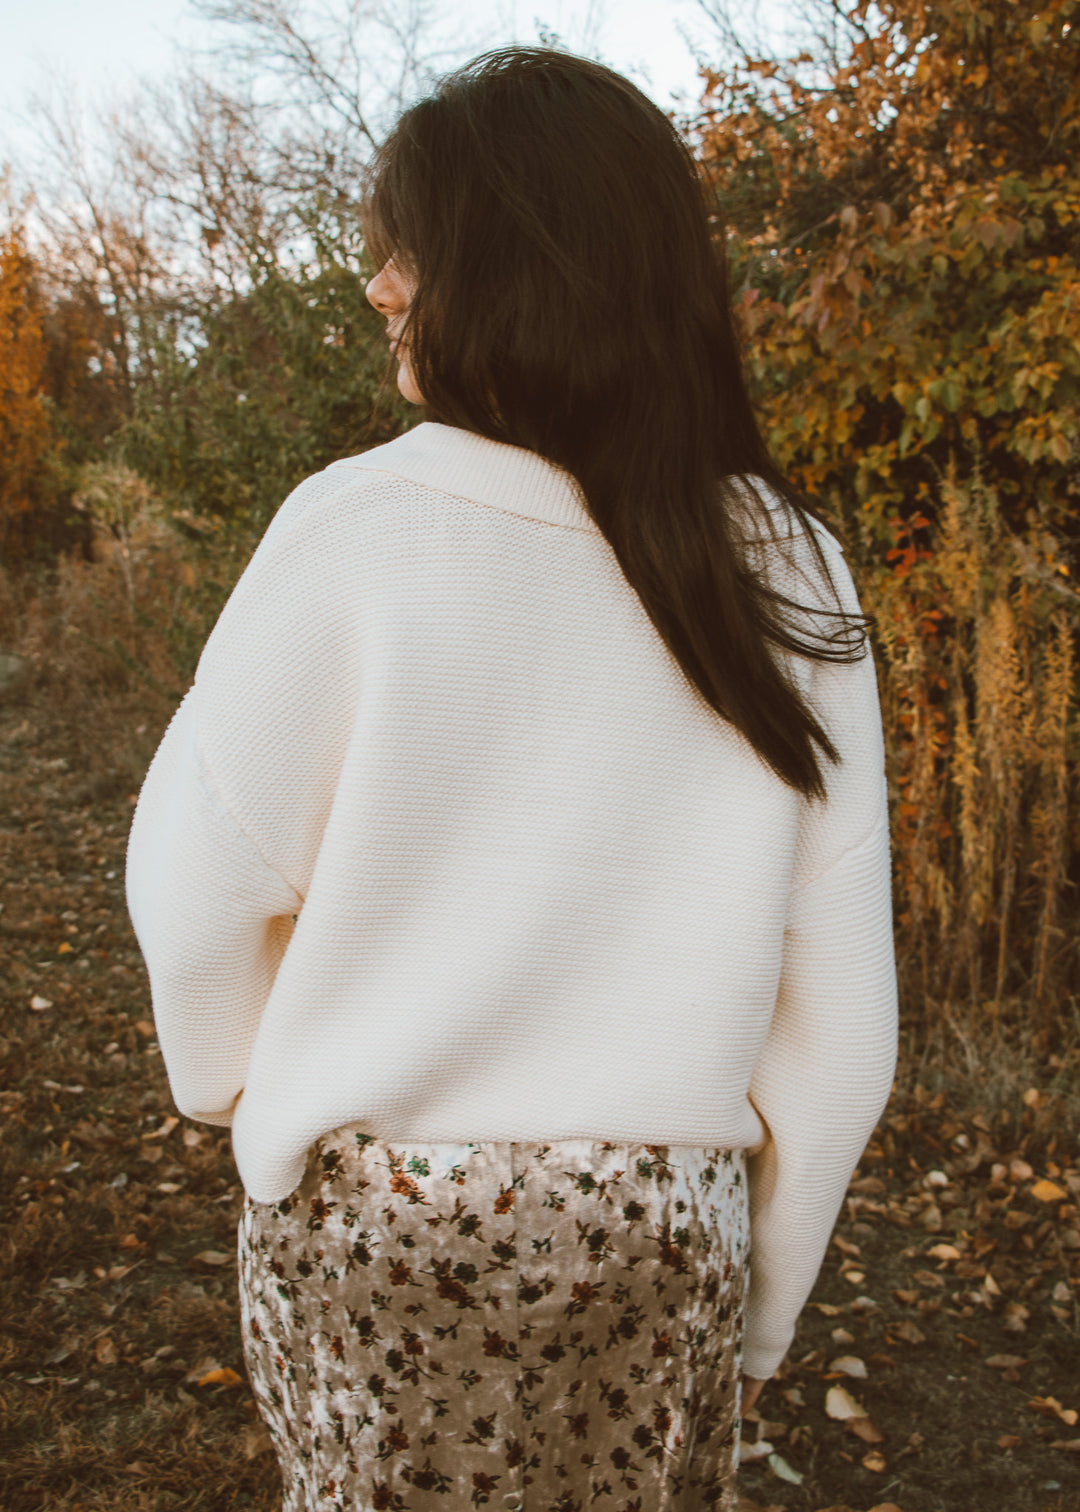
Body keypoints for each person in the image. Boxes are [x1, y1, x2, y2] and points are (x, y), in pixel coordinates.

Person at [125, 45, 898, 1512]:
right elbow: (844, 1031)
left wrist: (235, 1081)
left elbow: (196, 884)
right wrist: (766, 1307)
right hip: (661, 1242)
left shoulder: (358, 525)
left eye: (406, 247)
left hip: (377, 1225)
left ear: (515, 265)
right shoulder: (789, 564)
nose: (378, 285)